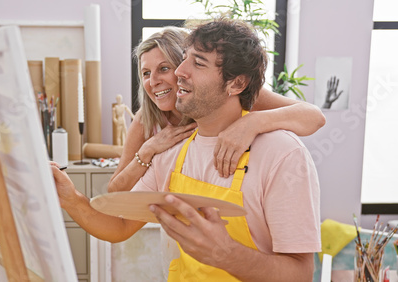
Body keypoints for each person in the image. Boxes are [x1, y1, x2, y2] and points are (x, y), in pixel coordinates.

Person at [52, 18, 320, 281]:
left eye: (197, 63)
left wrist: (226, 254)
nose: (179, 72)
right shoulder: (169, 149)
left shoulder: (282, 154)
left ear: (236, 84)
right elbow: (120, 226)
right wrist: (70, 198)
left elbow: (300, 273)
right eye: (184, 59)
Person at [107, 26, 325, 193]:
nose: (153, 81)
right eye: (145, 73)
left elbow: (314, 117)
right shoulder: (148, 120)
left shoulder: (235, 92)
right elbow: (115, 191)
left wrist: (253, 122)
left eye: (164, 69)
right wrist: (149, 150)